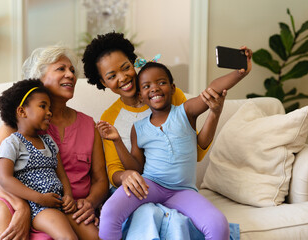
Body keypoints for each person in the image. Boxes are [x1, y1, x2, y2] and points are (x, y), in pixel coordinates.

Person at [82, 31, 226, 239]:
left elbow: (194, 151)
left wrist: (215, 112)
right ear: (104, 83)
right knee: (148, 214)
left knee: (177, 220)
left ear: (133, 63)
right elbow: (113, 169)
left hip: (179, 186)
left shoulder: (167, 95)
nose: (123, 78)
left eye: (125, 68)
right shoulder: (110, 117)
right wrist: (125, 176)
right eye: (112, 77)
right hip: (138, 187)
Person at [97, 58, 251, 240]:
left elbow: (213, 89)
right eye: (146, 86)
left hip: (183, 191)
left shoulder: (186, 111)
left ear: (172, 88)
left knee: (218, 225)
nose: (154, 88)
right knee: (109, 211)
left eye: (161, 82)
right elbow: (136, 168)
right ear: (140, 95)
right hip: (150, 185)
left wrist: (239, 72)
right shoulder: (138, 128)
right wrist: (117, 141)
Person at [0, 45, 108, 240]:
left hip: (71, 206)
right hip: (29, 201)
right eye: (61, 69)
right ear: (39, 78)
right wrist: (22, 207)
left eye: (72, 70)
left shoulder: (89, 125)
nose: (70, 75)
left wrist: (89, 203)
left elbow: (100, 180)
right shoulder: (20, 123)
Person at [0, 79, 78, 239]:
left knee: (95, 235)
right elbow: (4, 179)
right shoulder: (12, 142)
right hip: (39, 207)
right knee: (69, 238)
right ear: (22, 111)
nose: (49, 112)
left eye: (50, 108)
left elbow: (61, 175)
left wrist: (68, 195)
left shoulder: (49, 141)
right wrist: (39, 198)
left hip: (60, 203)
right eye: (43, 106)